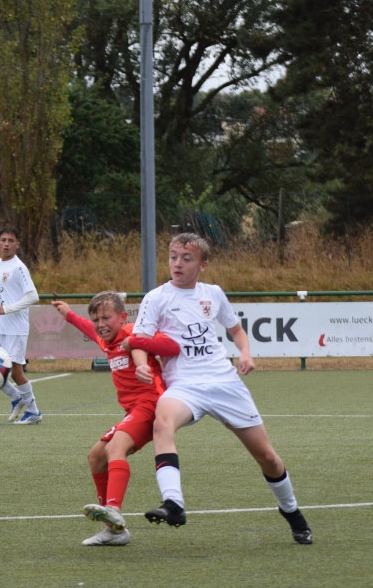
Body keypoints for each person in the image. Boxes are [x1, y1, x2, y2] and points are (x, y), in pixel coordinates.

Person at [130, 232, 313, 544]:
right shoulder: (156, 297)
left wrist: (246, 353)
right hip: (184, 386)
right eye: (173, 257)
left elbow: (236, 330)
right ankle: (173, 503)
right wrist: (140, 364)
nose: (177, 264)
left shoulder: (213, 294)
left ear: (202, 265)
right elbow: (139, 340)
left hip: (224, 383)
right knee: (163, 422)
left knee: (268, 458)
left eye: (186, 259)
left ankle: (291, 510)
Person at [52, 292, 180, 546]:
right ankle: (114, 531)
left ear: (122, 317)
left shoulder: (132, 332)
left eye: (106, 318)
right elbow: (88, 328)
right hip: (133, 411)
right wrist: (67, 313)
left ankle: (113, 509)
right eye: (96, 319)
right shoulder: (106, 341)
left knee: (114, 448)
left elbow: (170, 345)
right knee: (96, 457)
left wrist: (141, 356)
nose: (100, 324)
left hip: (152, 405)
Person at [0, 226, 43, 424]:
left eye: (11, 241)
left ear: (17, 245)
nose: (6, 244)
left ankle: (33, 411)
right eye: (3, 240)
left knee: (15, 371)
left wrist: (7, 309)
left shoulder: (19, 268)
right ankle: (16, 398)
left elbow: (33, 296)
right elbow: (1, 295)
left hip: (16, 327)